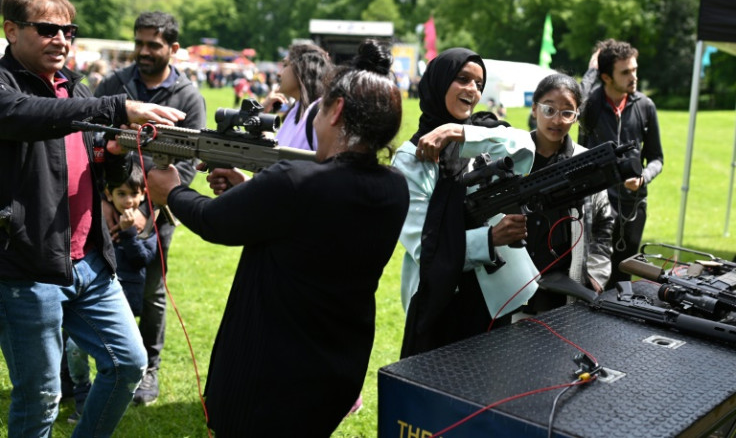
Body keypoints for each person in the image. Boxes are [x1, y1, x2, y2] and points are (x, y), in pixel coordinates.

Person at [145, 39, 409, 436]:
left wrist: (172, 192)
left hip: (268, 372)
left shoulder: (294, 181)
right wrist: (247, 190)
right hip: (338, 366)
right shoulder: (394, 187)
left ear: (335, 110)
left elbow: (215, 222)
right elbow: (306, 224)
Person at [0, 0, 185, 437]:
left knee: (128, 365)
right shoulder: (6, 87)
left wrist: (120, 148)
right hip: (27, 267)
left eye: (69, 31)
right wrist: (118, 107)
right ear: (10, 30)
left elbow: (98, 161)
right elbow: (24, 115)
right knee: (41, 397)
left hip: (90, 262)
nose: (61, 40)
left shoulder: (73, 86)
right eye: (47, 29)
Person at [393, 47, 539, 358]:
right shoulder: (410, 158)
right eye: (462, 79)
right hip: (442, 299)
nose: (472, 90)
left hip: (496, 296)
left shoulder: (480, 134)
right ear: (438, 82)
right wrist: (490, 239)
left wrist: (460, 133)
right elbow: (424, 246)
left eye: (479, 84)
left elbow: (527, 147)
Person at [94, 10, 207, 406]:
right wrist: (106, 204)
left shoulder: (188, 96)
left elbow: (190, 164)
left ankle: (149, 370)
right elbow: (91, 138)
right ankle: (106, 366)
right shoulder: (115, 84)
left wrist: (151, 209)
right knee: (102, 286)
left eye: (152, 45)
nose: (142, 51)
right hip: (108, 209)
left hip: (158, 214)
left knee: (152, 294)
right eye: (138, 42)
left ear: (173, 49)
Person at [65, 162, 159, 422]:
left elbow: (143, 260)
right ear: (108, 194)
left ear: (143, 195)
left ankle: (111, 394)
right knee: (75, 347)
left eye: (133, 194)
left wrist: (129, 234)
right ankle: (82, 393)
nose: (128, 200)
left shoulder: (146, 225)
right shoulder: (99, 218)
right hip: (94, 296)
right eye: (121, 193)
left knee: (117, 354)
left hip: (127, 302)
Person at [518, 73, 613, 316]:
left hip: (565, 289)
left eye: (567, 112)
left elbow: (605, 222)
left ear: (576, 117)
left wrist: (596, 276)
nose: (557, 120)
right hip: (515, 286)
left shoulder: (587, 163)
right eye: (549, 109)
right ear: (534, 108)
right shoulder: (513, 158)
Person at [578, 39, 663, 290]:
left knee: (623, 279)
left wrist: (643, 178)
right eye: (625, 72)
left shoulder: (646, 106)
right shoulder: (590, 105)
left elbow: (657, 158)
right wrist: (591, 70)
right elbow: (575, 99)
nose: (633, 76)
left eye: (634, 69)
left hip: (633, 206)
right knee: (591, 277)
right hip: (595, 205)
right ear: (606, 76)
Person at [262, 43, 332, 150]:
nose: (279, 74)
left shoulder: (322, 115)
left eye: (285, 65)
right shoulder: (295, 111)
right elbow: (278, 154)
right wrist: (262, 113)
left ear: (301, 69)